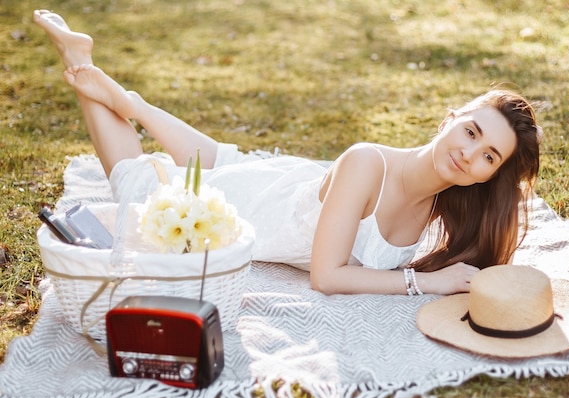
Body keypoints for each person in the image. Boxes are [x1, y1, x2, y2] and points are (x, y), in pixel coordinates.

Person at [33, 9, 542, 297]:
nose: (470, 153)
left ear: (486, 177)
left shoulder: (446, 207)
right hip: (248, 208)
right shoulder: (369, 162)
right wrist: (423, 283)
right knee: (135, 182)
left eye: (489, 157)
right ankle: (82, 61)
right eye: (472, 132)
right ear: (451, 116)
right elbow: (327, 277)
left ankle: (133, 102)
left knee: (221, 158)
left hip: (280, 186)